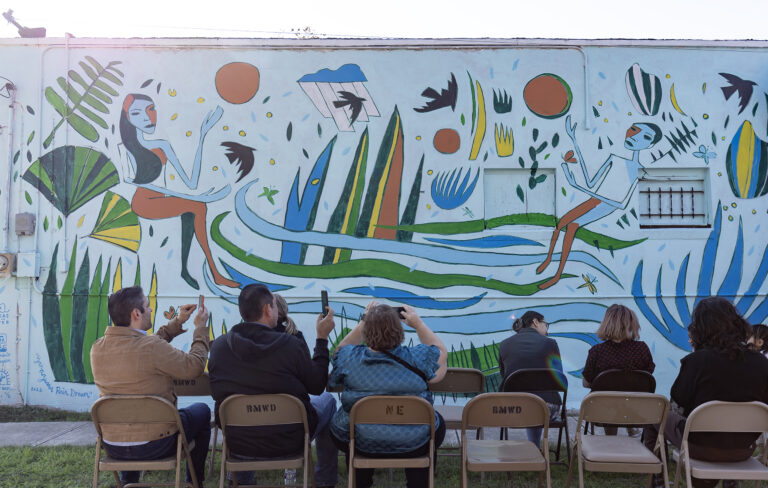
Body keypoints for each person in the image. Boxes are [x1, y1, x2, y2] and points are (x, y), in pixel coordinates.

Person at [208, 284, 338, 487]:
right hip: (290, 439)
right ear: (268, 309)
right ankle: (325, 482)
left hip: (239, 441)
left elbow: (216, 391)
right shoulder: (291, 345)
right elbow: (316, 386)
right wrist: (322, 339)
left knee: (239, 410)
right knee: (328, 400)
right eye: (276, 306)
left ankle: (242, 481)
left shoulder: (219, 347)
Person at [120, 93, 253, 290]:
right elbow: (145, 185)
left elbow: (191, 181)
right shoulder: (125, 150)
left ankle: (189, 270)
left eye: (151, 110)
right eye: (137, 113)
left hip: (162, 199)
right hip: (143, 203)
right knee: (196, 205)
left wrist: (202, 135)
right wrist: (195, 197)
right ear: (127, 118)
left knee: (195, 208)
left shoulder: (162, 145)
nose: (147, 118)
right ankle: (214, 273)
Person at [90, 286, 211, 486]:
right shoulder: (151, 348)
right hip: (158, 444)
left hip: (113, 446)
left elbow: (144, 344)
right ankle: (194, 482)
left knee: (131, 420)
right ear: (136, 313)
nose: (151, 310)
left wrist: (178, 321)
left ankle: (129, 481)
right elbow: (194, 367)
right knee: (203, 410)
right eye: (147, 306)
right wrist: (200, 329)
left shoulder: (97, 349)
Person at [643, 297, 768, 488]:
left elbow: (678, 407)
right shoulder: (761, 363)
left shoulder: (697, 361)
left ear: (699, 328)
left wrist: (696, 353)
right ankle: (729, 480)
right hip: (742, 449)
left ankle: (657, 480)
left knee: (654, 415)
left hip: (699, 447)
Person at [329, 302, 447, 488]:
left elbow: (338, 352)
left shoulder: (349, 359)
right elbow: (441, 352)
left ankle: (360, 481)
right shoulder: (419, 358)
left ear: (366, 330)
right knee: (433, 424)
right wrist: (419, 325)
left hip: (361, 440)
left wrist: (364, 321)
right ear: (399, 330)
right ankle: (419, 482)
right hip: (414, 441)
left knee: (355, 429)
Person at [537, 116, 662, 289]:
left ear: (650, 145)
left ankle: (556, 275)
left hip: (605, 206)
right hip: (594, 199)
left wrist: (577, 186)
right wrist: (574, 139)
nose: (635, 137)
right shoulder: (614, 158)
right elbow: (591, 183)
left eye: (646, 137)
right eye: (634, 130)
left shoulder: (639, 170)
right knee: (561, 224)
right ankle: (548, 259)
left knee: (571, 227)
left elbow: (621, 204)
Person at [581, 304, 654, 434]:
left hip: (604, 410)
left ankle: (611, 438)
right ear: (632, 323)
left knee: (608, 397)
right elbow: (646, 379)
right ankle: (630, 427)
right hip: (636, 409)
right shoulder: (642, 349)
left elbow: (586, 383)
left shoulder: (597, 352)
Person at [497, 310, 565, 445]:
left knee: (529, 398)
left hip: (512, 409)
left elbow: (505, 376)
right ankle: (535, 446)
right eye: (546, 324)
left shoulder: (504, 344)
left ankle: (534, 446)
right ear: (535, 322)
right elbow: (559, 380)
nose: (547, 330)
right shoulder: (550, 343)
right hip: (546, 410)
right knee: (538, 399)